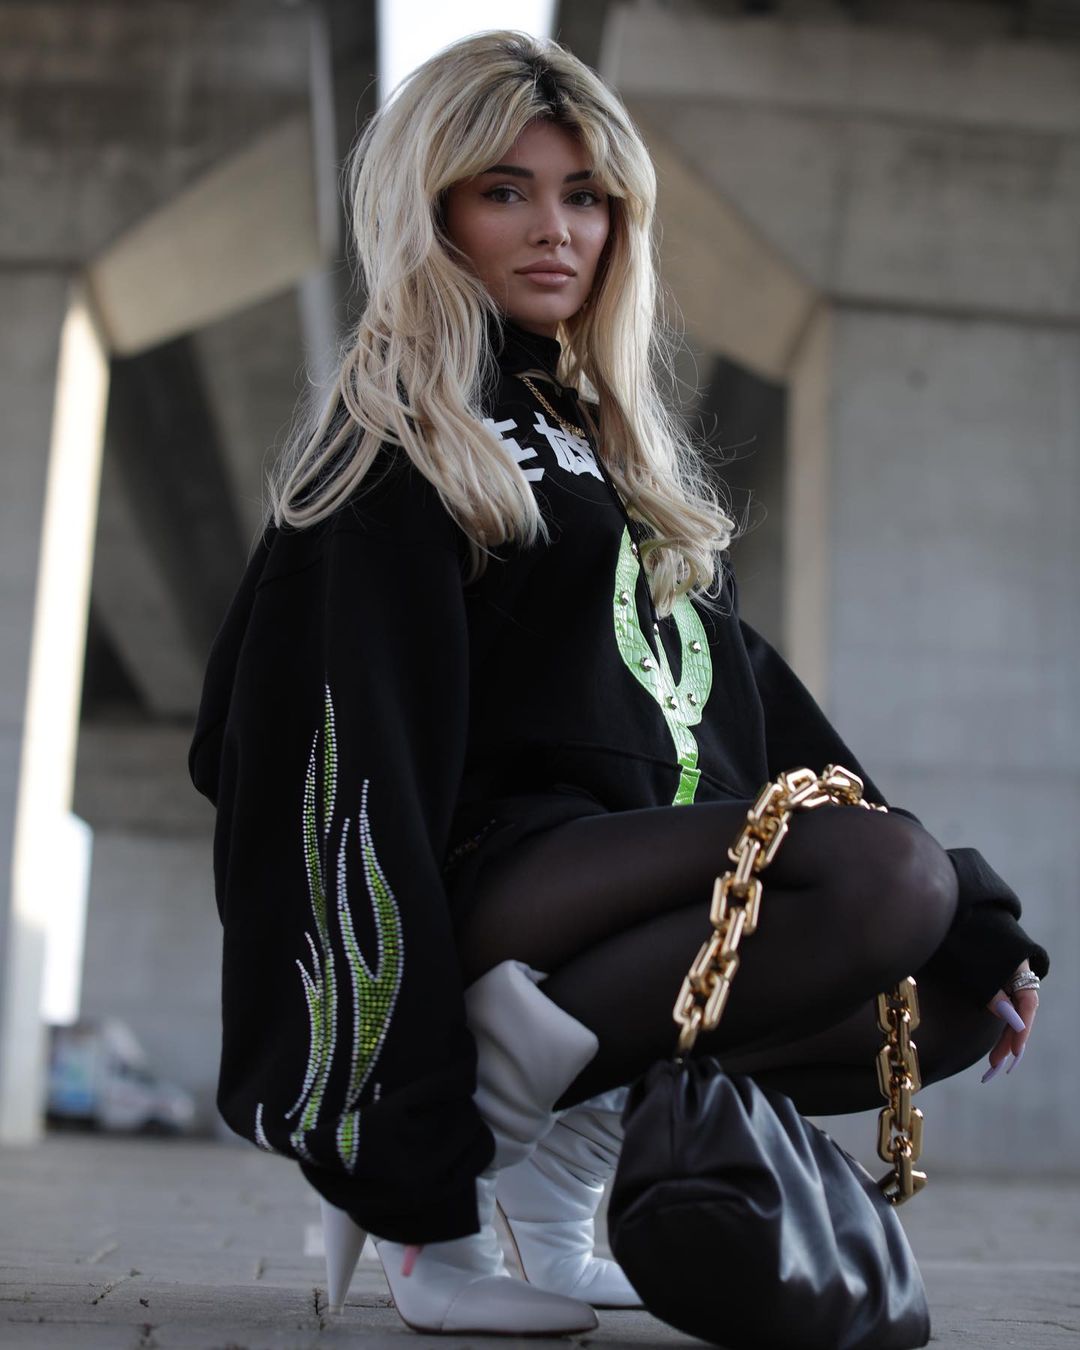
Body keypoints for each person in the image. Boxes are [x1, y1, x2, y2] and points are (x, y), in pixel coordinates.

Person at [188, 29, 1049, 1338]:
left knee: (943, 986)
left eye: (586, 196)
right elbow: (340, 756)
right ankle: (448, 1183)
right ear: (432, 211)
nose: (557, 229)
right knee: (890, 881)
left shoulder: (622, 457)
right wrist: (394, 1093)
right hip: (490, 877)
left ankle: (563, 1166)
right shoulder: (398, 437)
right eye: (507, 191)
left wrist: (976, 923)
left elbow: (765, 721)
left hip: (633, 874)